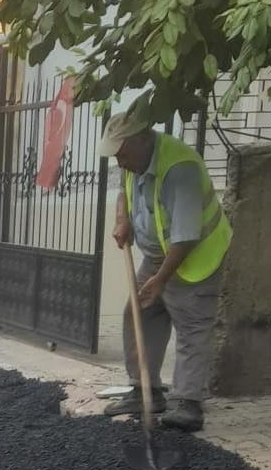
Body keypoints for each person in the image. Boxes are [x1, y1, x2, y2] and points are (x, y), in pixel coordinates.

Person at [100, 109, 233, 432]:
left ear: (144, 139)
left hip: (195, 257)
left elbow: (186, 235)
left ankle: (187, 403)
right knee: (140, 312)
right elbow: (125, 190)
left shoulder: (179, 168)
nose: (120, 163)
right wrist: (122, 219)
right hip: (159, 254)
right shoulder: (136, 159)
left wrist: (161, 280)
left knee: (191, 327)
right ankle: (145, 390)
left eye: (123, 154)